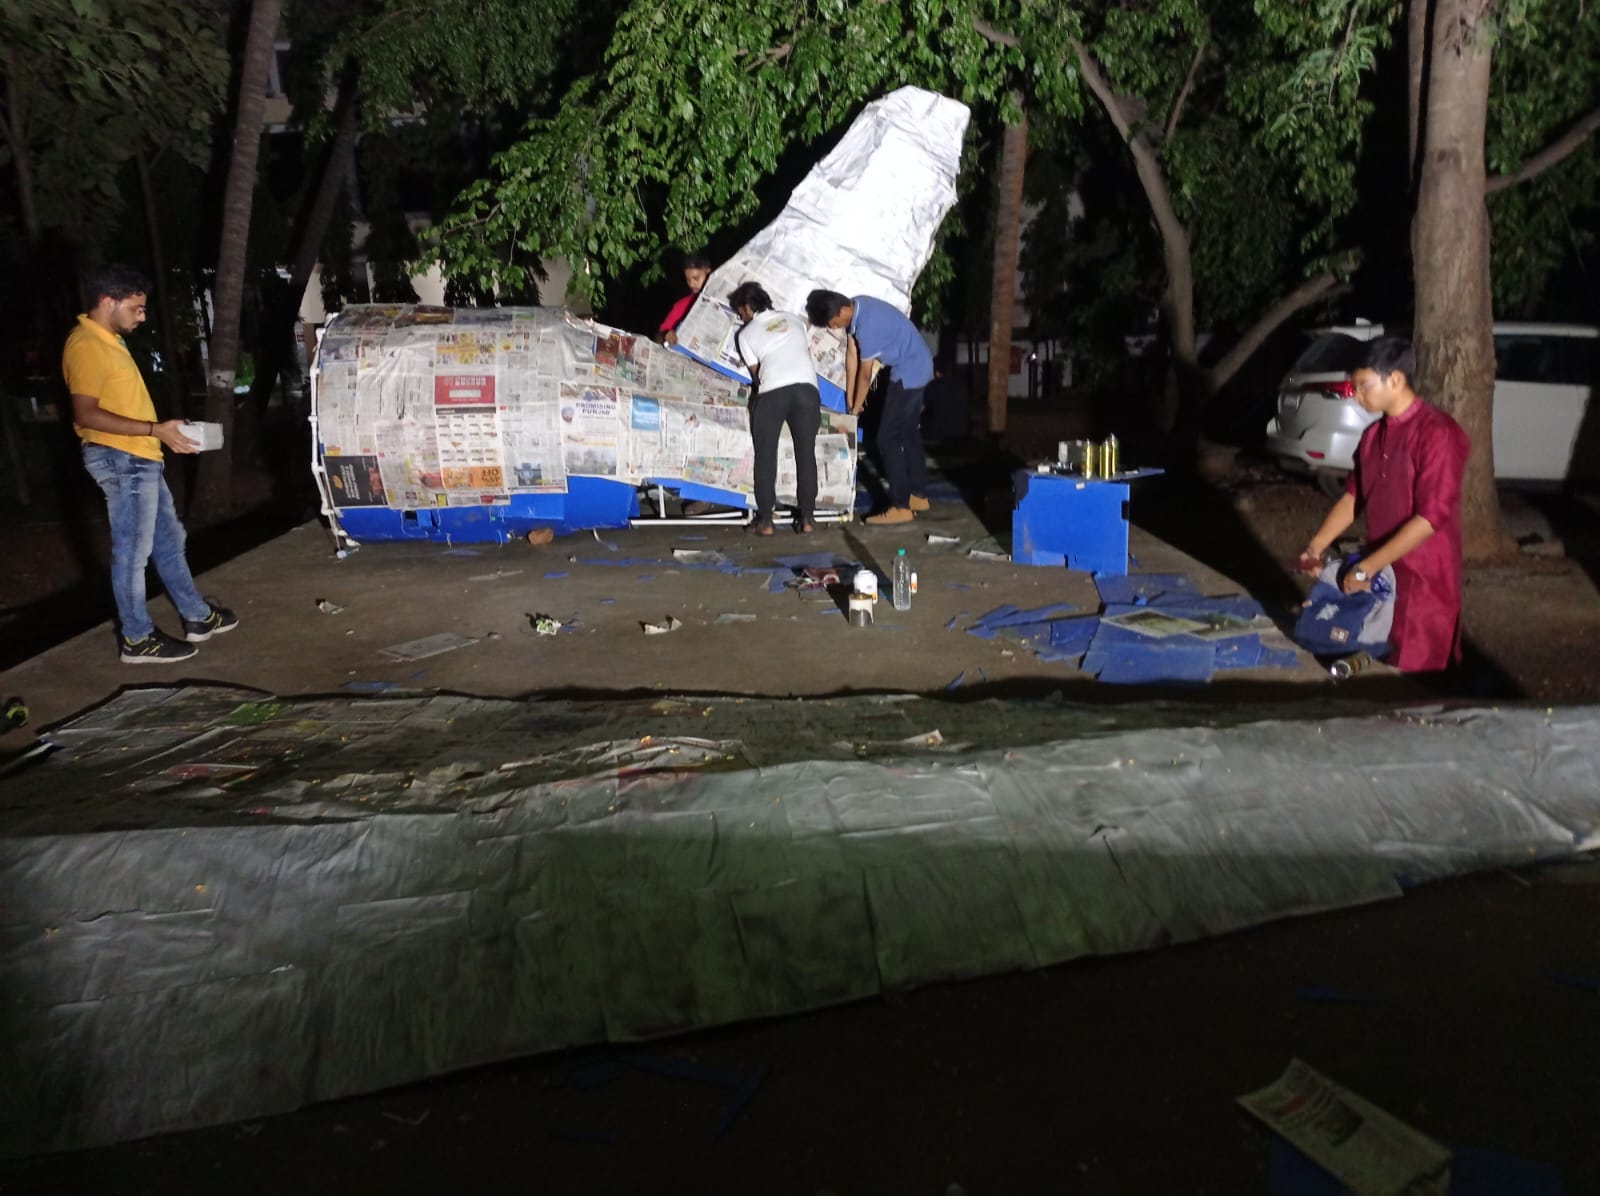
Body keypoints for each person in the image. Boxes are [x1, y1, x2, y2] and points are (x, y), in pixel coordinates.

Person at [65, 265, 237, 663]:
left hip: (140, 457)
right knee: (132, 552)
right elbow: (86, 414)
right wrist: (154, 428)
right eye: (136, 308)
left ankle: (198, 617)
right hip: (121, 459)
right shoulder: (86, 345)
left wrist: (162, 434)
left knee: (168, 542)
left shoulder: (107, 340)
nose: (142, 317)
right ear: (109, 301)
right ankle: (137, 639)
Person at [1297, 336, 1469, 672]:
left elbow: (1430, 518)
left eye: (1363, 386)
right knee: (1374, 660)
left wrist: (1367, 567)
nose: (1357, 395)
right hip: (1379, 573)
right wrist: (1316, 546)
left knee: (1417, 676)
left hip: (1423, 576)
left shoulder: (1439, 433)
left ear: (1395, 379)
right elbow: (1353, 497)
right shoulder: (1373, 436)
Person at [805, 289, 933, 525]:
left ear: (842, 310)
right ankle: (918, 495)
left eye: (833, 322)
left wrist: (855, 409)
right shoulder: (859, 307)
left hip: (909, 372)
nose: (833, 328)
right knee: (908, 433)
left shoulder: (868, 326)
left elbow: (865, 375)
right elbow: (852, 357)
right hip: (919, 364)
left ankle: (900, 506)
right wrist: (852, 401)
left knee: (887, 439)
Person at [730, 281, 821, 536]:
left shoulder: (746, 335)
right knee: (806, 454)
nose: (741, 317)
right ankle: (807, 519)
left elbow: (757, 374)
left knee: (766, 455)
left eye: (741, 312)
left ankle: (766, 521)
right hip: (807, 389)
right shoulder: (794, 320)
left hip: (774, 393)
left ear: (748, 307)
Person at [658, 251, 712, 347]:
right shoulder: (682, 305)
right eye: (688, 280)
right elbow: (659, 334)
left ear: (708, 273)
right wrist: (665, 335)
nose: (691, 284)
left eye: (696, 278)